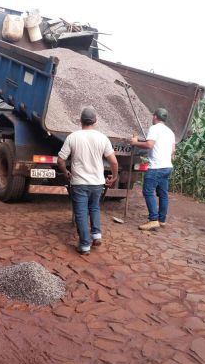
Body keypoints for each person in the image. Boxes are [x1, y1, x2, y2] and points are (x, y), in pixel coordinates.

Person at [57, 107, 119, 255]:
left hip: (79, 183)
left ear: (80, 121)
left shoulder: (73, 137)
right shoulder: (102, 138)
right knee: (95, 208)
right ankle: (96, 235)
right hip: (97, 182)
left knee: (81, 213)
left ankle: (85, 245)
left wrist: (66, 173)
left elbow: (60, 160)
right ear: (95, 121)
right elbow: (114, 162)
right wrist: (114, 176)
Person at [130, 108, 176, 231]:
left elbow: (149, 145)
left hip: (156, 167)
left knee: (147, 191)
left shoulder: (154, 129)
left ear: (155, 117)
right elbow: (172, 150)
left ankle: (153, 219)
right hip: (167, 166)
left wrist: (135, 142)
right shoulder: (170, 132)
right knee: (163, 194)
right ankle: (162, 220)